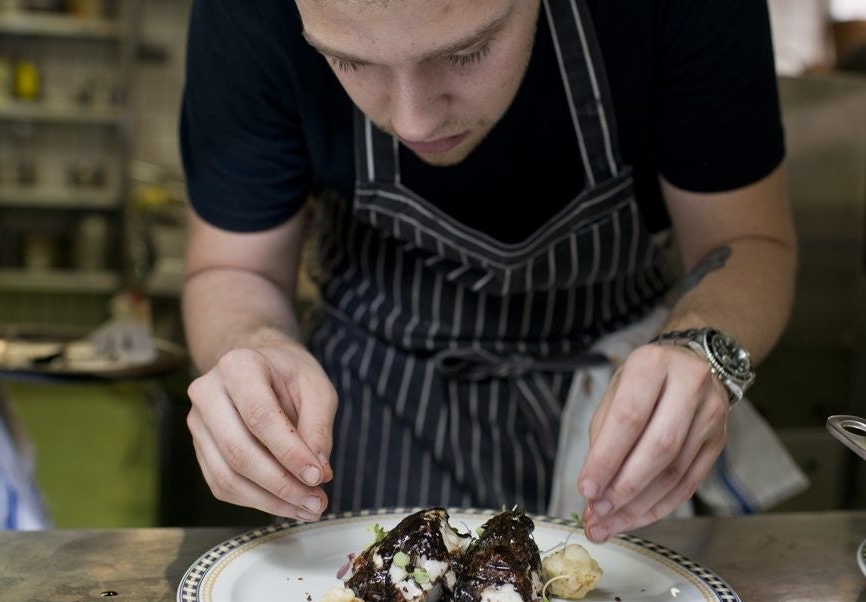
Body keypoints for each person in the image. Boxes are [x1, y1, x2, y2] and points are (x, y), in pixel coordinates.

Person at [179, 0, 797, 543]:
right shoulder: (247, 10)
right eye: (350, 62)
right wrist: (251, 346)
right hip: (375, 404)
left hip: (622, 409)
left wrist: (700, 349)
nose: (414, 120)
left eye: (467, 51)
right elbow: (235, 267)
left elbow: (747, 241)